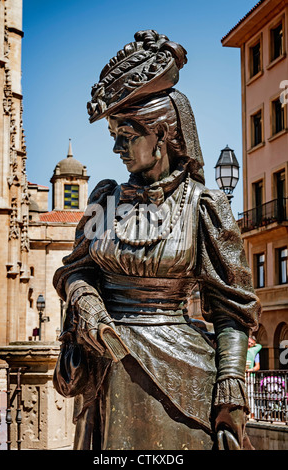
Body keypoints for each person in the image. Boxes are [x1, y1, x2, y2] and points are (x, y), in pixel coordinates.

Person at [52, 30, 261, 450]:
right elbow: (73, 272)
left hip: (182, 377)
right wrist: (86, 301)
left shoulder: (204, 205)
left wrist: (231, 385)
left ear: (162, 135)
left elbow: (232, 310)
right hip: (105, 370)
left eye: (126, 136)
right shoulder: (104, 200)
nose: (116, 148)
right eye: (114, 134)